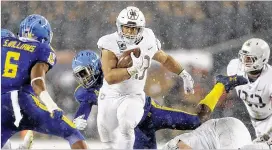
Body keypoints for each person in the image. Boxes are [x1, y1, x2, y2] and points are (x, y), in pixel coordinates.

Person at [71, 50, 248, 149]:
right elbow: (84, 107)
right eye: (78, 75)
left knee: (196, 120)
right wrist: (79, 119)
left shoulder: (115, 72)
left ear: (95, 67)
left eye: (84, 73)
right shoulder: (85, 92)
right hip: (137, 127)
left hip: (151, 111)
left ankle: (222, 84)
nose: (82, 78)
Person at [97, 6, 194, 149]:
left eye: (134, 28)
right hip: (110, 95)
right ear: (119, 26)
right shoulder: (109, 43)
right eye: (126, 28)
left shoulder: (148, 39)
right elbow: (110, 77)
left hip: (133, 95)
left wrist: (184, 74)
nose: (130, 32)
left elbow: (165, 59)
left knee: (126, 124)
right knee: (107, 137)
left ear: (141, 29)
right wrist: (132, 69)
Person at [1, 14, 87, 149]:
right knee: (72, 133)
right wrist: (51, 105)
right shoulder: (41, 49)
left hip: (1, 106)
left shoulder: (4, 41)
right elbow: (37, 82)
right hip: (24, 103)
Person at [227, 38, 272, 144]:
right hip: (251, 118)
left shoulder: (269, 78)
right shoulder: (234, 66)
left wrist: (268, 134)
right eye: (243, 57)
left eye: (249, 58)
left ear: (262, 59)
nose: (243, 61)